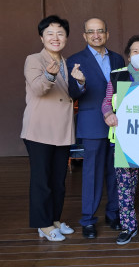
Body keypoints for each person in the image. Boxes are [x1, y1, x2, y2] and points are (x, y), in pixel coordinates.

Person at [21, 15, 82, 241]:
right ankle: (43, 224)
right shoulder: (34, 59)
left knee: (58, 180)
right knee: (42, 180)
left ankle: (55, 219)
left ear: (66, 37)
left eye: (60, 33)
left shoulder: (66, 62)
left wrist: (80, 82)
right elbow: (38, 89)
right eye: (50, 33)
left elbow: (70, 95)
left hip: (62, 130)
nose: (55, 38)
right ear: (41, 37)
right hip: (39, 130)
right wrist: (49, 74)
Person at [102, 35, 139, 245]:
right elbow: (106, 102)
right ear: (129, 55)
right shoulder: (117, 76)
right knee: (125, 187)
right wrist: (108, 114)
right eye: (135, 51)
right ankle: (128, 227)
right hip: (123, 141)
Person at [67, 18, 125, 239]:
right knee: (91, 174)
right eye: (91, 32)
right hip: (92, 124)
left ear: (107, 34)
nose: (96, 35)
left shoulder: (118, 58)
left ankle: (114, 213)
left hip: (117, 124)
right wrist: (79, 83)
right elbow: (73, 93)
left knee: (115, 171)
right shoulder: (75, 60)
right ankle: (88, 219)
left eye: (100, 31)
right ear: (84, 36)